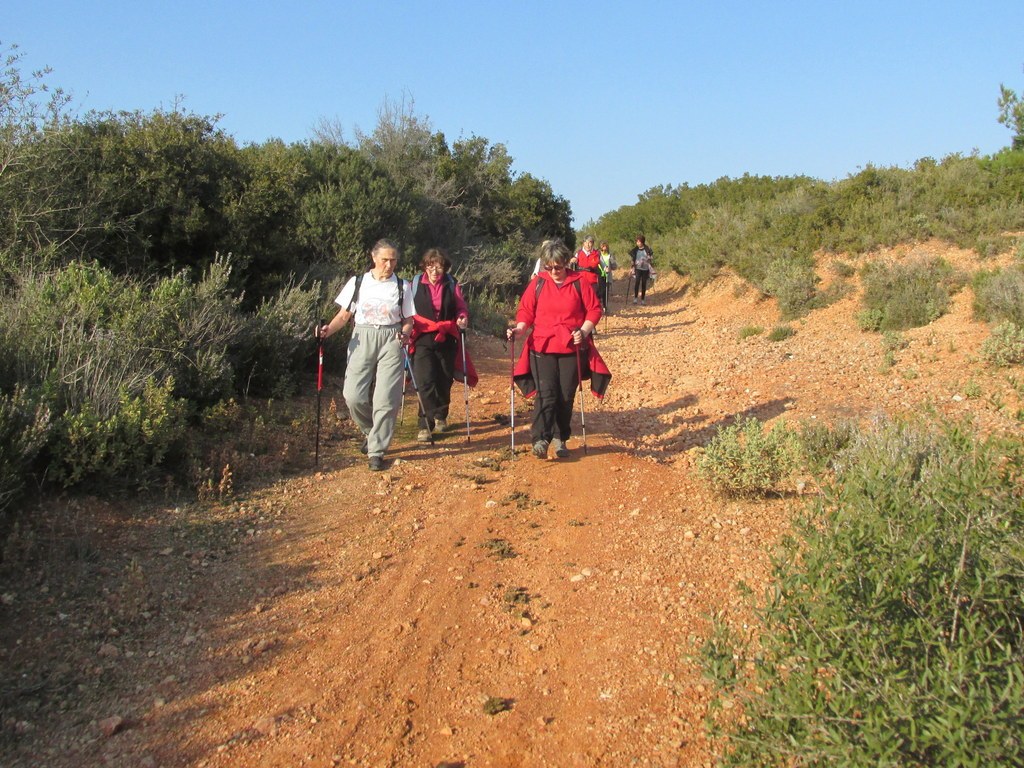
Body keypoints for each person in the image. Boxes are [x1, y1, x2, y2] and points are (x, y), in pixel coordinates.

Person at [507, 239, 610, 459]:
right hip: (542, 346)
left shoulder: (579, 282)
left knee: (565, 395)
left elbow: (594, 310)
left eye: (558, 267)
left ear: (566, 263)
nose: (553, 271)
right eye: (549, 267)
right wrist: (519, 329)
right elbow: (526, 312)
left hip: (571, 347)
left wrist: (583, 331)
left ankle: (560, 437)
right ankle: (540, 439)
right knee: (546, 393)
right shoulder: (538, 283)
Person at [318, 239, 415, 471]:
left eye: (393, 260)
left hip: (391, 339)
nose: (389, 265)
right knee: (353, 395)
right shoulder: (358, 282)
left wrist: (405, 334)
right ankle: (372, 432)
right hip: (362, 337)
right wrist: (326, 332)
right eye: (385, 260)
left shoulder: (402, 286)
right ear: (373, 258)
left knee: (386, 398)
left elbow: (409, 320)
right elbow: (343, 316)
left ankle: (377, 451)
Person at [409, 248, 470, 441]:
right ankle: (425, 424)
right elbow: (407, 308)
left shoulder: (452, 284)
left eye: (439, 266)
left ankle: (441, 415)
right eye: (430, 265)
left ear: (445, 267)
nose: (434, 270)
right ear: (424, 266)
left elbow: (461, 307)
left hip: (447, 337)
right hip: (422, 338)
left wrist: (462, 318)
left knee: (444, 380)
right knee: (424, 381)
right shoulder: (416, 283)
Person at [629, 234, 655, 305]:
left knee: (644, 284)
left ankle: (643, 299)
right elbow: (632, 260)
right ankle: (635, 298)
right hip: (638, 268)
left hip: (645, 269)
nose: (637, 243)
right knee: (637, 283)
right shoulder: (635, 250)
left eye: (638, 242)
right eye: (637, 242)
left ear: (642, 242)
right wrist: (631, 268)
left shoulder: (647, 249)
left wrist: (649, 258)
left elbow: (651, 258)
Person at [598, 240, 617, 311]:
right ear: (600, 247)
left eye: (606, 246)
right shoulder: (598, 255)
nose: (604, 248)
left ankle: (605, 307)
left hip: (608, 276)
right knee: (601, 291)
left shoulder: (610, 255)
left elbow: (614, 266)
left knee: (606, 291)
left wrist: (612, 264)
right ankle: (599, 305)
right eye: (603, 246)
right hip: (600, 275)